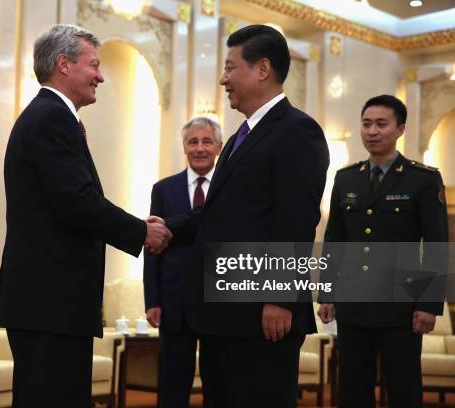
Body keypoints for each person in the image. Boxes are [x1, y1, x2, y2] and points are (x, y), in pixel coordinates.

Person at [0, 24, 172, 407]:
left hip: (51, 302)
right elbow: (77, 201)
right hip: (49, 300)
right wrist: (141, 230)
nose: (101, 76)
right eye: (94, 65)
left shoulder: (50, 116)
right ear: (63, 64)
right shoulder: (52, 118)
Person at [162, 25, 329, 407]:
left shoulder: (296, 131)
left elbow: (296, 220)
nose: (223, 79)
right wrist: (167, 227)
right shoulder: (243, 135)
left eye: (229, 67)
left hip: (261, 315)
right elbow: (221, 213)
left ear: (262, 69)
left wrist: (280, 299)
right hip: (226, 313)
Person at [317, 95, 449, 408]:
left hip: (400, 306)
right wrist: (327, 292)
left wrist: (428, 303)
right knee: (352, 387)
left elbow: (436, 244)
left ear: (400, 128)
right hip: (354, 303)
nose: (372, 131)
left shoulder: (423, 179)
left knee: (403, 388)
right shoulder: (346, 178)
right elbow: (335, 239)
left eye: (381, 124)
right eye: (366, 124)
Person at [144, 117, 222, 407]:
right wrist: (152, 299)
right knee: (174, 382)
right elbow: (153, 247)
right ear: (184, 147)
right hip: (174, 299)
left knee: (219, 381)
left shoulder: (228, 188)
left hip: (220, 299)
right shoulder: (163, 189)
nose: (199, 148)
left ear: (219, 147)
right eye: (193, 142)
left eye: (206, 141)